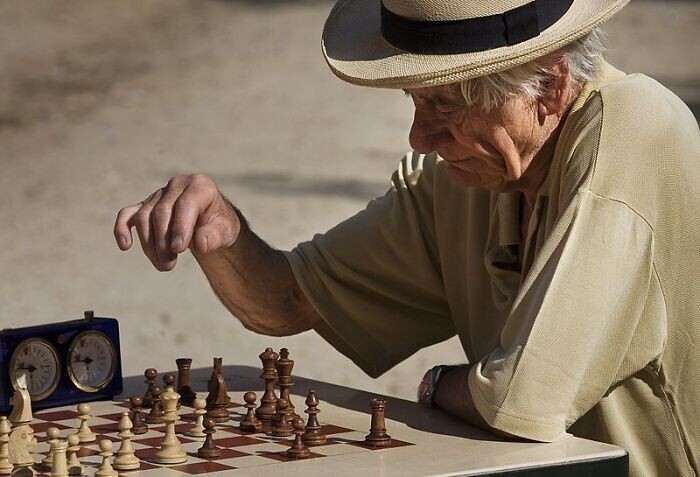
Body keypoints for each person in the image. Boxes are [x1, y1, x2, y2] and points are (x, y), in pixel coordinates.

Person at [114, 0, 700, 474]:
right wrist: (223, 232)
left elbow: (520, 403)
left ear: (547, 87)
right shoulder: (463, 177)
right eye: (416, 102)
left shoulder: (633, 127)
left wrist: (435, 384)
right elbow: (285, 300)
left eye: (445, 104)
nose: (419, 136)